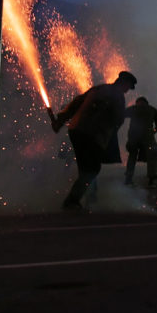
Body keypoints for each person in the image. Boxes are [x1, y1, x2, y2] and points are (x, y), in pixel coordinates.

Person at [50, 70, 137, 210]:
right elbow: (118, 119)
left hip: (75, 130)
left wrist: (60, 121)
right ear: (124, 83)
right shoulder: (118, 96)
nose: (127, 91)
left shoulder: (97, 88)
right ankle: (72, 202)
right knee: (92, 168)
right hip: (93, 135)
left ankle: (89, 197)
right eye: (128, 87)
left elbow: (75, 104)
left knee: (87, 167)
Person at [123, 96, 157, 188]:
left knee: (132, 156)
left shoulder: (134, 108)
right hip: (147, 137)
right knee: (153, 155)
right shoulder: (152, 109)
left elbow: (122, 114)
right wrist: (153, 131)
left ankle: (128, 179)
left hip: (134, 138)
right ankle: (152, 180)